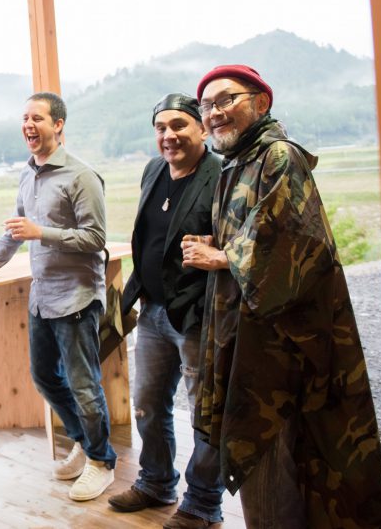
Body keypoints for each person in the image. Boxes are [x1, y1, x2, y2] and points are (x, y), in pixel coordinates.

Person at [181, 64, 381, 528]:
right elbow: (254, 231)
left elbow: (293, 242)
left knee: (275, 458)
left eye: (226, 99)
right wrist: (219, 245)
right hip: (247, 332)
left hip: (278, 345)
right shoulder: (238, 161)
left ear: (261, 103)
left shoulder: (278, 156)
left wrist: (222, 257)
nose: (214, 112)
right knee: (272, 465)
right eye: (207, 105)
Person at [0, 91, 117, 502]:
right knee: (44, 377)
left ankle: (102, 462)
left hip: (77, 298)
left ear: (58, 125)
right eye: (24, 118)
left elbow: (95, 238)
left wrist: (41, 233)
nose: (28, 125)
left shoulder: (82, 176)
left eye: (37, 118)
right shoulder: (28, 175)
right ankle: (84, 443)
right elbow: (15, 232)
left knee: (84, 385)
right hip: (42, 297)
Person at [106, 94, 224, 529]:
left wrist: (216, 246)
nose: (169, 135)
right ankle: (156, 481)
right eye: (161, 128)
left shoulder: (221, 175)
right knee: (147, 404)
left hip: (197, 314)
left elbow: (239, 240)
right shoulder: (153, 170)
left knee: (204, 412)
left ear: (202, 128)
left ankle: (203, 503)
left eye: (179, 125)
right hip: (154, 310)